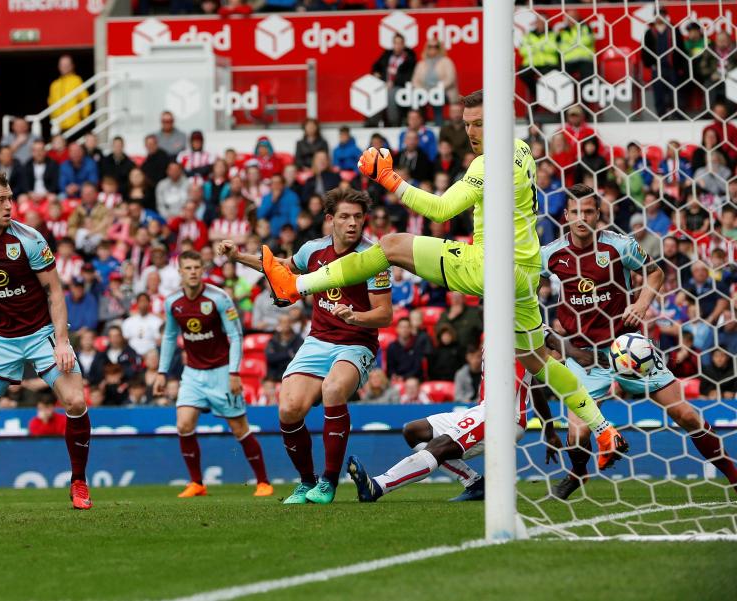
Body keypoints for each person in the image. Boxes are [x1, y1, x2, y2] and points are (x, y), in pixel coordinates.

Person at [259, 90, 628, 471]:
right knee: (539, 360)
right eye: (467, 124)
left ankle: (296, 286)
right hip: (525, 273)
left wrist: (387, 177)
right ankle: (602, 429)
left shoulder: (489, 164)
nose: (471, 131)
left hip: (490, 265)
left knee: (390, 245)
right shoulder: (521, 149)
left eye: (480, 123)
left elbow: (441, 209)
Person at [540, 184, 737, 498]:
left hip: (629, 350)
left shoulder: (619, 246)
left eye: (588, 211)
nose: (582, 218)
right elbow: (526, 291)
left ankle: (733, 474)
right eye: (576, 212)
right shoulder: (549, 254)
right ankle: (578, 474)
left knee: (685, 414)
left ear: (598, 214)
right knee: (576, 434)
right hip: (585, 356)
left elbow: (654, 273)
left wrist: (641, 304)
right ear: (566, 215)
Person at [219, 187, 392, 504]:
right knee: (288, 409)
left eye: (357, 217)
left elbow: (385, 314)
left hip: (355, 344)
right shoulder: (312, 251)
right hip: (318, 341)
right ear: (330, 220)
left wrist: (355, 317)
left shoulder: (373, 258)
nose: (352, 223)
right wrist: (238, 257)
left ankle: (327, 483)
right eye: (344, 217)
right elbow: (281, 270)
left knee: (333, 389)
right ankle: (306, 482)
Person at [0, 170, 92, 512]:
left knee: (74, 401)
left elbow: (55, 290)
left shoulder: (29, 239)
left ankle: (79, 482)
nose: (10, 205)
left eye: (10, 198)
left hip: (42, 333)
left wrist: (61, 340)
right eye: (1, 199)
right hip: (0, 339)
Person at [154, 250, 273, 498]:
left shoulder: (218, 298)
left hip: (221, 372)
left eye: (197, 267)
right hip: (193, 374)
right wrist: (162, 372)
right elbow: (168, 337)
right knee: (184, 424)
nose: (193, 272)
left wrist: (234, 372)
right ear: (180, 272)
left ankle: (263, 481)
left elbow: (236, 335)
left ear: (202, 270)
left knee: (239, 428)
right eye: (188, 268)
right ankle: (197, 483)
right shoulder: (172, 302)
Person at [348, 362, 536, 503]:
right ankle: (474, 483)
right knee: (413, 431)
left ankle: (377, 487)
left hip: (504, 415)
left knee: (441, 446)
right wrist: (550, 428)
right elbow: (532, 380)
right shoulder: (494, 329)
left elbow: (543, 364)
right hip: (483, 409)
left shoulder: (529, 327)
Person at [642, 9, 687, 118]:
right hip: (657, 68)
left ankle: (678, 115)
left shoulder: (673, 30)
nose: (659, 17)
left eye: (661, 14)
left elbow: (681, 48)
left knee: (675, 93)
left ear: (665, 15)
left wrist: (680, 66)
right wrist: (650, 64)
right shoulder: (649, 32)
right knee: (659, 93)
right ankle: (662, 115)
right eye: (657, 14)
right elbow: (645, 51)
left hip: (672, 68)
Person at [371, 34, 416, 126]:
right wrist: (376, 72)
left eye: (400, 43)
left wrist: (394, 82)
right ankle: (372, 123)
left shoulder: (410, 58)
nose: (398, 46)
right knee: (374, 93)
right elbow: (376, 66)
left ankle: (394, 123)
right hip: (384, 85)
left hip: (401, 87)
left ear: (404, 45)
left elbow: (409, 76)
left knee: (390, 94)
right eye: (395, 43)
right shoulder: (387, 55)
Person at [411, 38, 458, 125]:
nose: (433, 49)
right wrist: (422, 90)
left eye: (435, 46)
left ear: (439, 48)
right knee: (417, 98)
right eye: (430, 46)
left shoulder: (446, 61)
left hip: (443, 92)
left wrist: (436, 89)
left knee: (436, 97)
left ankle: (439, 125)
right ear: (426, 48)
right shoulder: (421, 64)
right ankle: (420, 125)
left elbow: (450, 79)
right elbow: (415, 81)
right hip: (425, 92)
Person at [519, 18, 559, 102]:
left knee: (552, 78)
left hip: (548, 64)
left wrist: (534, 48)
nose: (540, 24)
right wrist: (542, 47)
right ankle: (536, 94)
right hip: (531, 64)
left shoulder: (553, 34)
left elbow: (554, 48)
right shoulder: (528, 35)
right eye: (539, 22)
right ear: (535, 23)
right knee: (523, 74)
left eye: (543, 22)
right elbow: (523, 50)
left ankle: (546, 98)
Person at [48, 55, 90, 133]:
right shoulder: (54, 84)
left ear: (72, 66)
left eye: (67, 65)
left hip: (75, 124)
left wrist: (84, 117)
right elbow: (51, 103)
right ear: (59, 67)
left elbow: (85, 100)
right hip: (58, 125)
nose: (64, 67)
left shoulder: (77, 80)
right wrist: (53, 119)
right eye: (62, 65)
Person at [557, 9, 595, 81]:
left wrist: (571, 44)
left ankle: (585, 91)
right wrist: (577, 43)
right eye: (568, 17)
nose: (571, 19)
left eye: (573, 17)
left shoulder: (586, 28)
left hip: (584, 59)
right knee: (560, 76)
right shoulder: (562, 32)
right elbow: (561, 47)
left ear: (578, 17)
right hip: (568, 61)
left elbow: (588, 40)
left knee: (587, 74)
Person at [258, 174, 299, 238]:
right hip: (269, 234)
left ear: (283, 184)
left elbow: (294, 216)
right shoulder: (267, 197)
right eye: (273, 183)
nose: (276, 186)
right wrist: (272, 201)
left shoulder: (292, 196)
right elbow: (260, 215)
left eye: (278, 183)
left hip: (286, 233)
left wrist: (291, 230)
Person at [264, 314, 302, 381]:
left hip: (291, 376)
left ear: (292, 324)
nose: (286, 324)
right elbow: (270, 358)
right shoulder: (273, 340)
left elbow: (297, 359)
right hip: (274, 377)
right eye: (284, 322)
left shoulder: (298, 340)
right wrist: (288, 354)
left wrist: (278, 356)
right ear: (279, 324)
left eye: (288, 322)